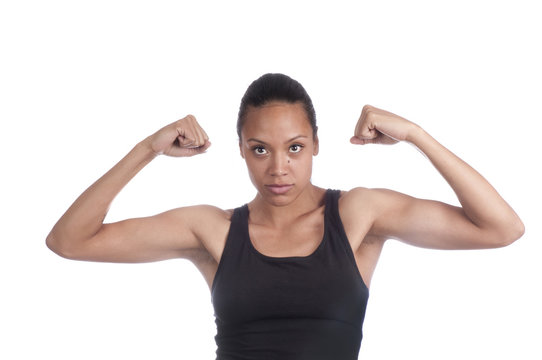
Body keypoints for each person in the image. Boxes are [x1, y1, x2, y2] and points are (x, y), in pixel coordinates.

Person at [46, 73, 524, 360]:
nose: (278, 168)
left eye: (295, 148)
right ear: (241, 151)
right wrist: (145, 150)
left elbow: (502, 228)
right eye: (260, 150)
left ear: (316, 144)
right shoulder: (211, 230)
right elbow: (69, 241)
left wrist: (417, 135)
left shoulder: (359, 215)